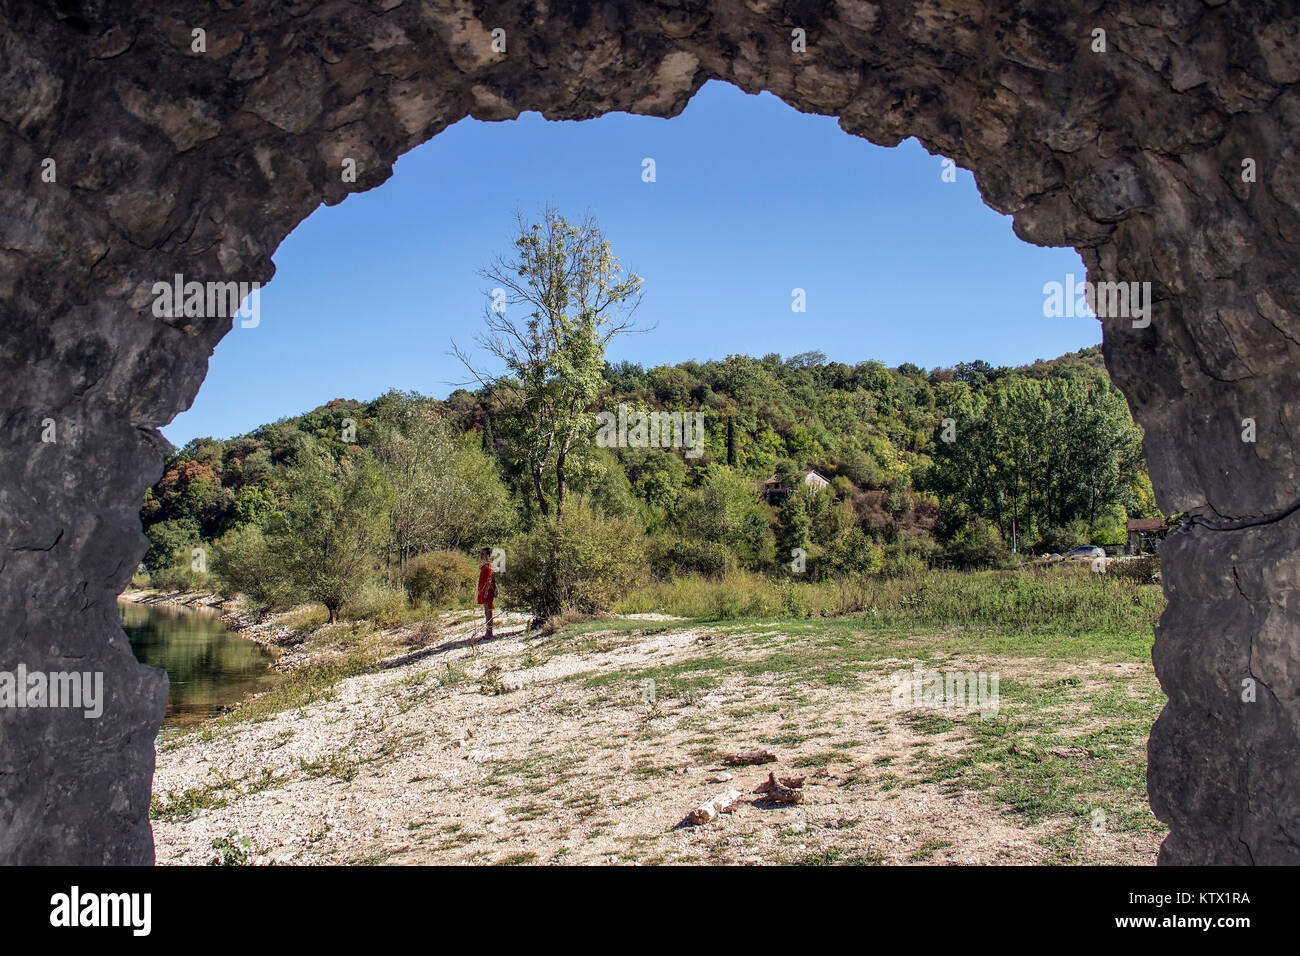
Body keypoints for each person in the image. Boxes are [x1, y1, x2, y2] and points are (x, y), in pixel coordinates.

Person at [476, 548, 496, 639]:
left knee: (489, 611)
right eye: (481, 554)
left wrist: (486, 592)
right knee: (486, 611)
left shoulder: (488, 566)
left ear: (487, 555)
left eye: (483, 554)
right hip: (483, 591)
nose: (481, 556)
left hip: (487, 591)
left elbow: (489, 579)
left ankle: (489, 633)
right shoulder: (484, 566)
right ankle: (488, 632)